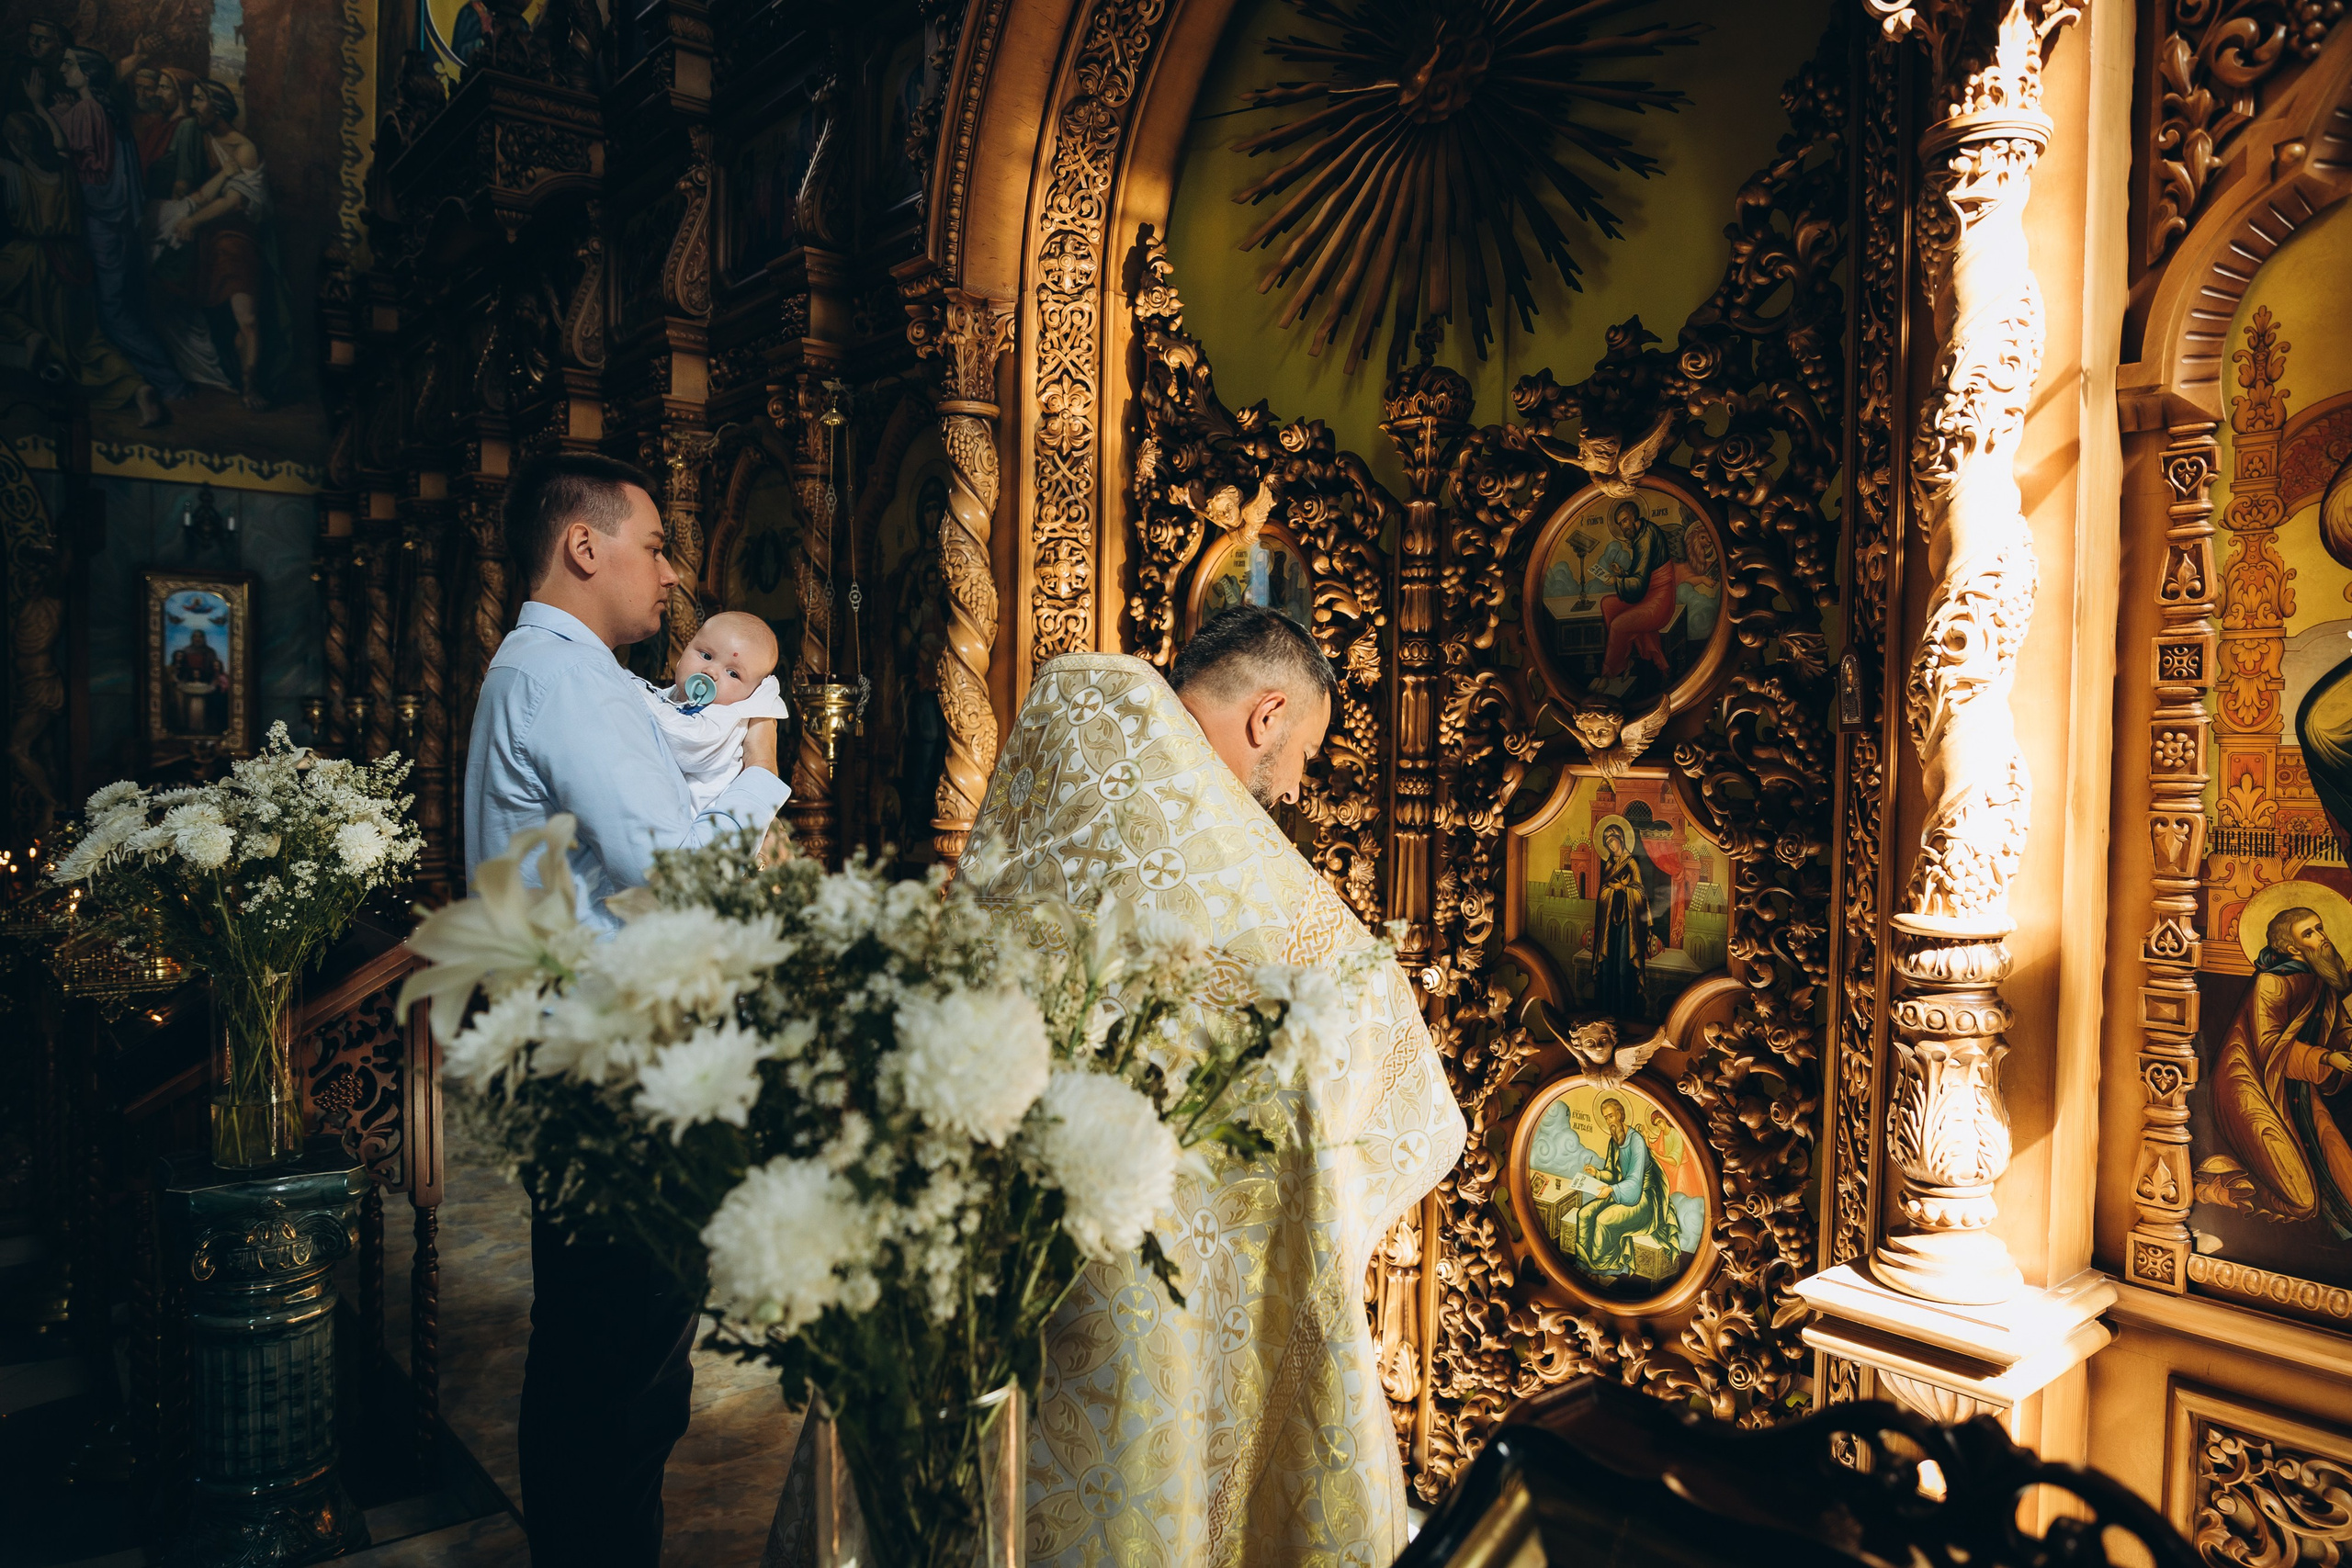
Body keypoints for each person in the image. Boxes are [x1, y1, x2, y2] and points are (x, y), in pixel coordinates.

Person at [954, 604, 1466, 1568]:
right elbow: (1352, 998)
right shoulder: (1204, 838)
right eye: (1305, 752)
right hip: (1147, 1241)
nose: (1293, 786)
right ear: (1267, 715)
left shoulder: (1071, 736)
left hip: (996, 1201)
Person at [464, 452, 788, 1568]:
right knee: (622, 1381)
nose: (670, 573)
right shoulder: (570, 681)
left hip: (589, 1058)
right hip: (617, 1074)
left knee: (596, 1365)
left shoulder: (557, 673)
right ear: (583, 545)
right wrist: (761, 767)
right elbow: (679, 879)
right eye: (653, 545)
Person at [40, 46, 185, 417]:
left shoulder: (89, 110)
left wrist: (39, 107)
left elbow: (59, 142)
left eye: (69, 64)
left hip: (102, 224)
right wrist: (60, 108)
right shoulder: (105, 109)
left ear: (87, 74)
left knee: (114, 313)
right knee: (115, 309)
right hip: (117, 224)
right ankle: (152, 382)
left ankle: (170, 382)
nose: (63, 68)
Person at [2199, 906, 2352, 1235]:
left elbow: (2340, 1030)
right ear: (2292, 948)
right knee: (2302, 1202)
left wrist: (2345, 1047)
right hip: (2247, 1088)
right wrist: (2326, 1060)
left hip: (2296, 1088)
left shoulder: (2320, 980)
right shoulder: (2273, 983)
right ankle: (2216, 1189)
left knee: (2345, 1180)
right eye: (2309, 933)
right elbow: (2268, 1048)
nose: (2323, 938)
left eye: (2320, 928)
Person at [637, 610, 792, 813]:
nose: (710, 672)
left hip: (705, 821)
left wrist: (638, 693)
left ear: (753, 694)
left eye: (732, 673)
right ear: (683, 653)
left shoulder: (727, 718)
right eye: (706, 655)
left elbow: (686, 743)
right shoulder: (671, 697)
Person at [1572, 1096, 1676, 1277]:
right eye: (1605, 1117)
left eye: (1611, 1116)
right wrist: (1596, 1173)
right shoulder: (1614, 1141)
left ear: (1620, 1115)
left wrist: (1612, 1189)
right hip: (1622, 1192)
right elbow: (1612, 1174)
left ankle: (1602, 1268)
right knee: (1585, 1214)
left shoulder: (1636, 1141)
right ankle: (1584, 1264)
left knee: (1604, 1220)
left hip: (1643, 1199)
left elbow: (1635, 1180)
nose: (1609, 1121)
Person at [1593, 500, 1676, 682]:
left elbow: (1639, 584)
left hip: (1659, 600)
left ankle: (1608, 674)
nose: (1622, 528)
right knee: (1608, 605)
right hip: (1648, 593)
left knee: (1618, 625)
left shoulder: (1644, 539)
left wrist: (1617, 580)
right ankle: (1626, 658)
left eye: (1624, 521)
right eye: (1620, 524)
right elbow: (1642, 573)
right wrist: (1622, 573)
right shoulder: (1643, 533)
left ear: (1633, 517)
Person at [1591, 820, 1650, 1019]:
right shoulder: (1609, 865)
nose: (1610, 845)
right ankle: (1604, 1008)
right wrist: (1611, 890)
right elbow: (1602, 894)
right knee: (1607, 965)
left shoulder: (1631, 863)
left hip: (1628, 921)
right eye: (1607, 843)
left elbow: (1641, 893)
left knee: (1624, 966)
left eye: (1613, 841)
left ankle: (1625, 1011)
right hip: (1609, 923)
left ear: (1621, 840)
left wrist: (1625, 889)